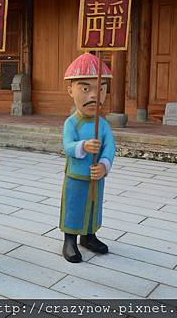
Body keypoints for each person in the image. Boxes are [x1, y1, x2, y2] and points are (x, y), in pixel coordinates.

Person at [60, 52, 115, 263]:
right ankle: (70, 239)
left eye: (100, 89)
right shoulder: (71, 123)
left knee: (93, 205)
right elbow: (68, 145)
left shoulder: (103, 125)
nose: (93, 95)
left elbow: (110, 147)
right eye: (85, 89)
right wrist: (82, 146)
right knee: (74, 206)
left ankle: (89, 235)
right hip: (76, 175)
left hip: (95, 176)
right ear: (70, 90)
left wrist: (104, 164)